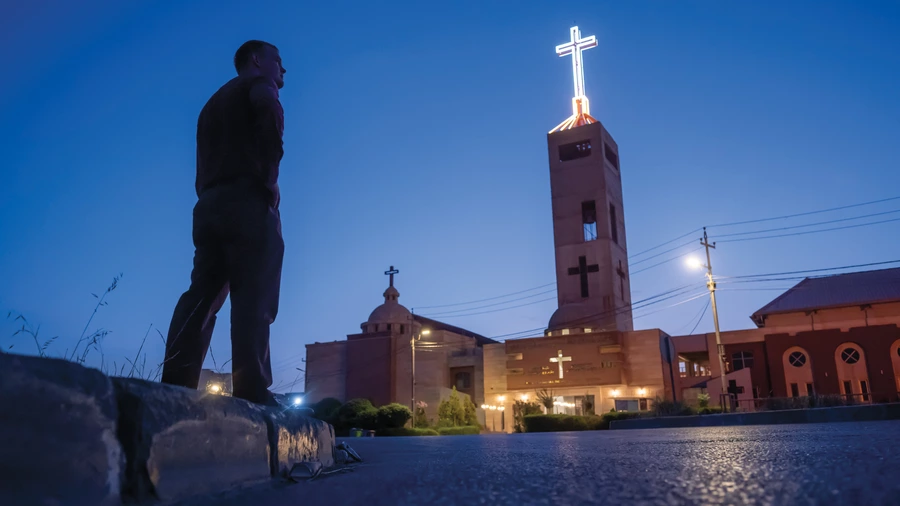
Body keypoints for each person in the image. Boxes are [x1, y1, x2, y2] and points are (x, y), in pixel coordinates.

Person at [161, 40, 287, 406]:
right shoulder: (258, 87)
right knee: (254, 294)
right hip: (248, 201)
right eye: (278, 62)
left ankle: (175, 385)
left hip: (209, 206)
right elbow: (269, 122)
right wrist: (270, 178)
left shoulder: (211, 104)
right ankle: (253, 390)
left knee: (201, 295)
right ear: (257, 60)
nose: (283, 71)